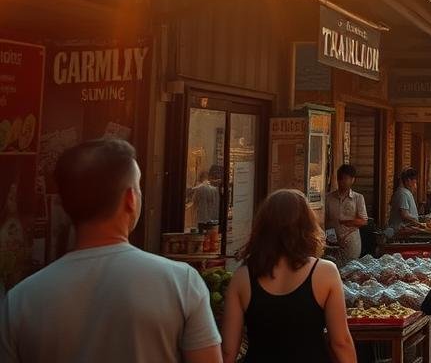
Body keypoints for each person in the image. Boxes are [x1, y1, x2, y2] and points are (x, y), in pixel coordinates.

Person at [0, 138, 222, 363]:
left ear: (65, 205)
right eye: (138, 187)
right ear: (130, 199)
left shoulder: (20, 301)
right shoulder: (180, 282)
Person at [221, 189, 356, 363]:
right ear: (307, 226)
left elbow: (227, 351)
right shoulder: (325, 273)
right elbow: (340, 342)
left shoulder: (242, 277)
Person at [325, 164, 368, 266]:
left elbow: (363, 220)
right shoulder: (329, 198)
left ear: (352, 180)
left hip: (351, 243)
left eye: (345, 179)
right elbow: (326, 221)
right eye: (339, 179)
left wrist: (346, 222)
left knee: (350, 270)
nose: (342, 182)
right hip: (333, 243)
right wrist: (332, 239)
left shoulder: (358, 198)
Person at [386, 168, 422, 238]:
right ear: (408, 180)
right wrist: (417, 222)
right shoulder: (402, 193)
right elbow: (404, 214)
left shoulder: (405, 192)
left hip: (406, 230)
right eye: (414, 182)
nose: (415, 186)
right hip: (401, 231)